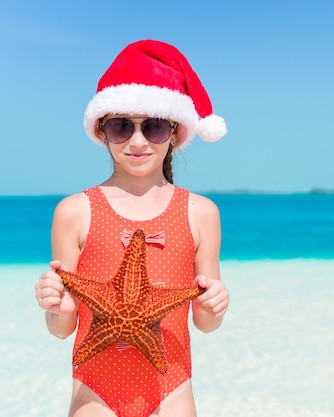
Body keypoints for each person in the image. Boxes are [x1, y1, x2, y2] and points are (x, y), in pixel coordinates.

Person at [34, 39, 230, 417]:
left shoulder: (201, 212)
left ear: (175, 131)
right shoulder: (75, 211)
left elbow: (205, 323)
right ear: (101, 130)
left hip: (171, 388)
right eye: (122, 126)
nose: (137, 141)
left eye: (154, 127)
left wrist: (215, 304)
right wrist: (56, 307)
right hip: (95, 391)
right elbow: (61, 329)